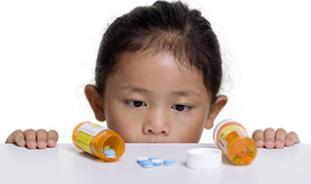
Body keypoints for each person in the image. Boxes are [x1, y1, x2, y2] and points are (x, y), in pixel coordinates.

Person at [5, 1, 299, 150]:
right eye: (136, 103)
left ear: (213, 111)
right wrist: (24, 153)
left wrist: (277, 156)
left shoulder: (227, 165)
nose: (156, 127)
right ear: (98, 103)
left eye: (180, 107)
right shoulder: (79, 164)